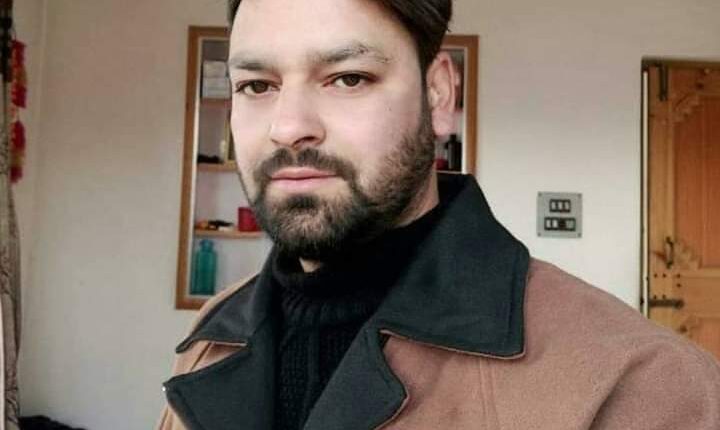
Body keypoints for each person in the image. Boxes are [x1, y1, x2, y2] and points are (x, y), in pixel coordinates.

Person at [158, 0, 720, 428]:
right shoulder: (213, 333)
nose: (287, 127)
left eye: (348, 78)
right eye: (257, 85)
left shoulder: (640, 382)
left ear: (439, 95)